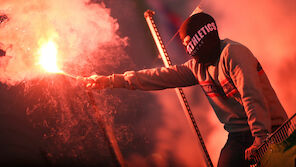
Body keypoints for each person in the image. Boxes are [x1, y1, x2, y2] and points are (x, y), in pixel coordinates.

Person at [80, 12, 288, 167]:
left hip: (273, 129)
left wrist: (261, 137)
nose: (189, 50)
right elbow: (159, 77)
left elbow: (252, 96)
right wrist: (109, 81)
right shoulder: (197, 68)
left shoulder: (233, 54)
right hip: (238, 136)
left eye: (190, 44)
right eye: (186, 45)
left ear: (204, 38)